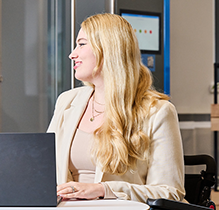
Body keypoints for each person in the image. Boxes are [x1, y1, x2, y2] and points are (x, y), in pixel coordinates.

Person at [47, 13, 185, 202]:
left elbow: (170, 193)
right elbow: (45, 173)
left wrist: (103, 190)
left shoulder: (158, 112)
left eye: (81, 44)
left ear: (108, 49)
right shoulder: (67, 101)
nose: (72, 54)